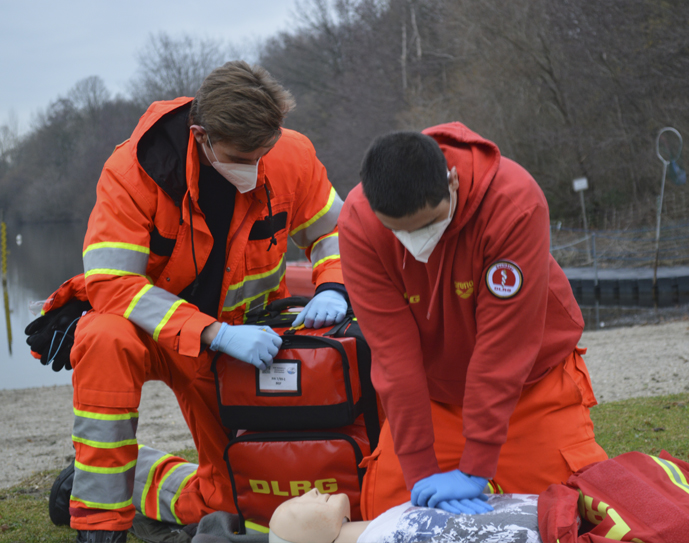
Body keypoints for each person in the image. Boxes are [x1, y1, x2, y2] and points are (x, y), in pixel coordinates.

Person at [65, 61, 348, 542]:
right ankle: (98, 523)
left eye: (266, 151)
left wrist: (333, 285)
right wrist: (212, 332)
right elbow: (111, 283)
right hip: (160, 333)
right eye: (244, 154)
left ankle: (133, 479)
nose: (257, 165)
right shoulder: (133, 171)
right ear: (201, 136)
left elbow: (335, 231)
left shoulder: (291, 154)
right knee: (102, 336)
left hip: (247, 342)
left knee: (238, 497)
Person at [337, 124, 608, 520]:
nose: (418, 243)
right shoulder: (359, 223)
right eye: (399, 232)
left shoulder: (514, 203)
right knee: (390, 512)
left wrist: (476, 463)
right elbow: (394, 354)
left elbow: (504, 348)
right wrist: (419, 470)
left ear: (451, 181)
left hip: (529, 385)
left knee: (570, 511)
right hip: (433, 394)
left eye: (429, 224)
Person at [268, 489, 540, 543]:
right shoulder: (383, 537)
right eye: (293, 508)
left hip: (555, 509)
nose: (311, 491)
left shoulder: (381, 525)